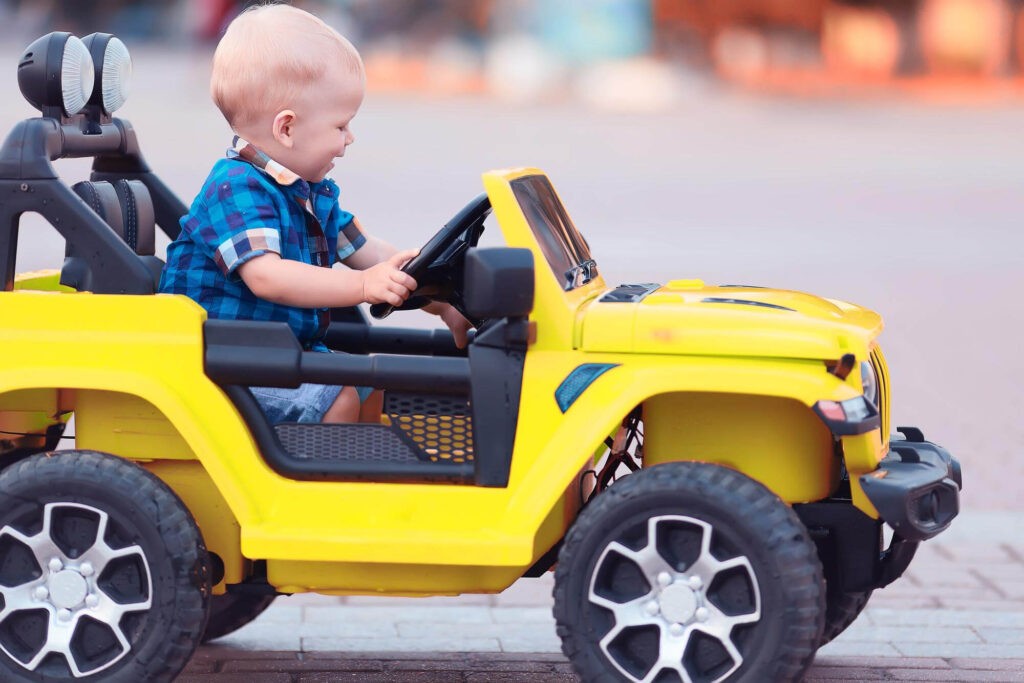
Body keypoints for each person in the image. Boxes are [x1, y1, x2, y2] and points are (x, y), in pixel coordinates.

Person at [159, 3, 470, 425]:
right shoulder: (235, 188)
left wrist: (439, 298)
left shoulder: (311, 191)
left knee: (370, 386)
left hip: (276, 354)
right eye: (340, 127)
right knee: (337, 398)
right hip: (220, 365)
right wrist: (362, 286)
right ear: (286, 128)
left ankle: (370, 479)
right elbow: (266, 276)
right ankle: (320, 488)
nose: (349, 139)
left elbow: (368, 252)